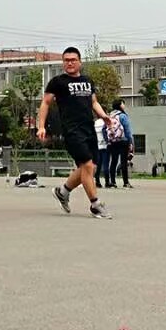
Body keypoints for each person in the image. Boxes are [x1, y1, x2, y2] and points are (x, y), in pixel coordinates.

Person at [38, 46, 114, 219]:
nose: (70, 63)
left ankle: (63, 192)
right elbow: (45, 103)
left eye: (73, 60)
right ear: (63, 63)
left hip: (89, 129)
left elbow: (93, 102)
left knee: (91, 168)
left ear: (80, 62)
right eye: (66, 60)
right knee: (87, 165)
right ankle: (95, 205)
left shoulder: (87, 80)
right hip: (72, 130)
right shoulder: (57, 82)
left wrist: (103, 116)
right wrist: (41, 126)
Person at [94, 113, 110, 188]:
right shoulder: (105, 122)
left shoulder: (95, 123)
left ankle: (97, 181)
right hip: (105, 146)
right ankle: (107, 182)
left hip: (97, 146)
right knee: (106, 164)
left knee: (98, 165)